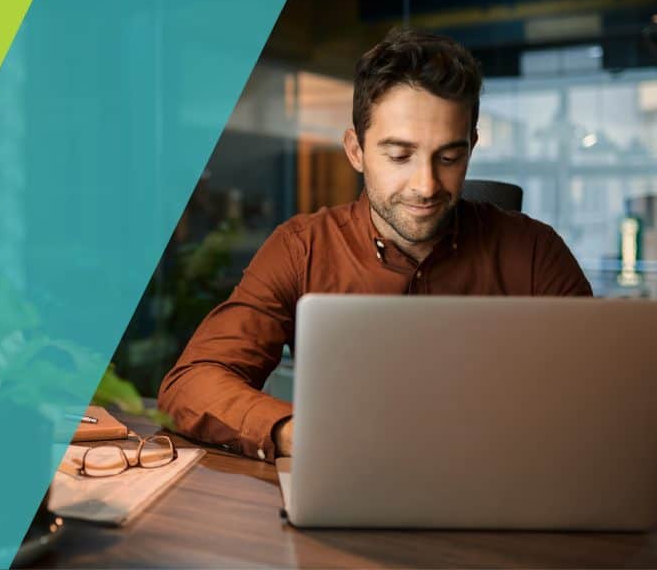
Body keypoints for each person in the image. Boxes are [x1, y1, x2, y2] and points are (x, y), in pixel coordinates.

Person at [157, 27, 592, 464]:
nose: (425, 186)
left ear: (471, 148)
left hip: (503, 487)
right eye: (399, 156)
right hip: (347, 486)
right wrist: (295, 433)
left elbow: (603, 395)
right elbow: (192, 382)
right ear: (356, 150)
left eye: (448, 157)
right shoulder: (301, 249)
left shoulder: (535, 252)